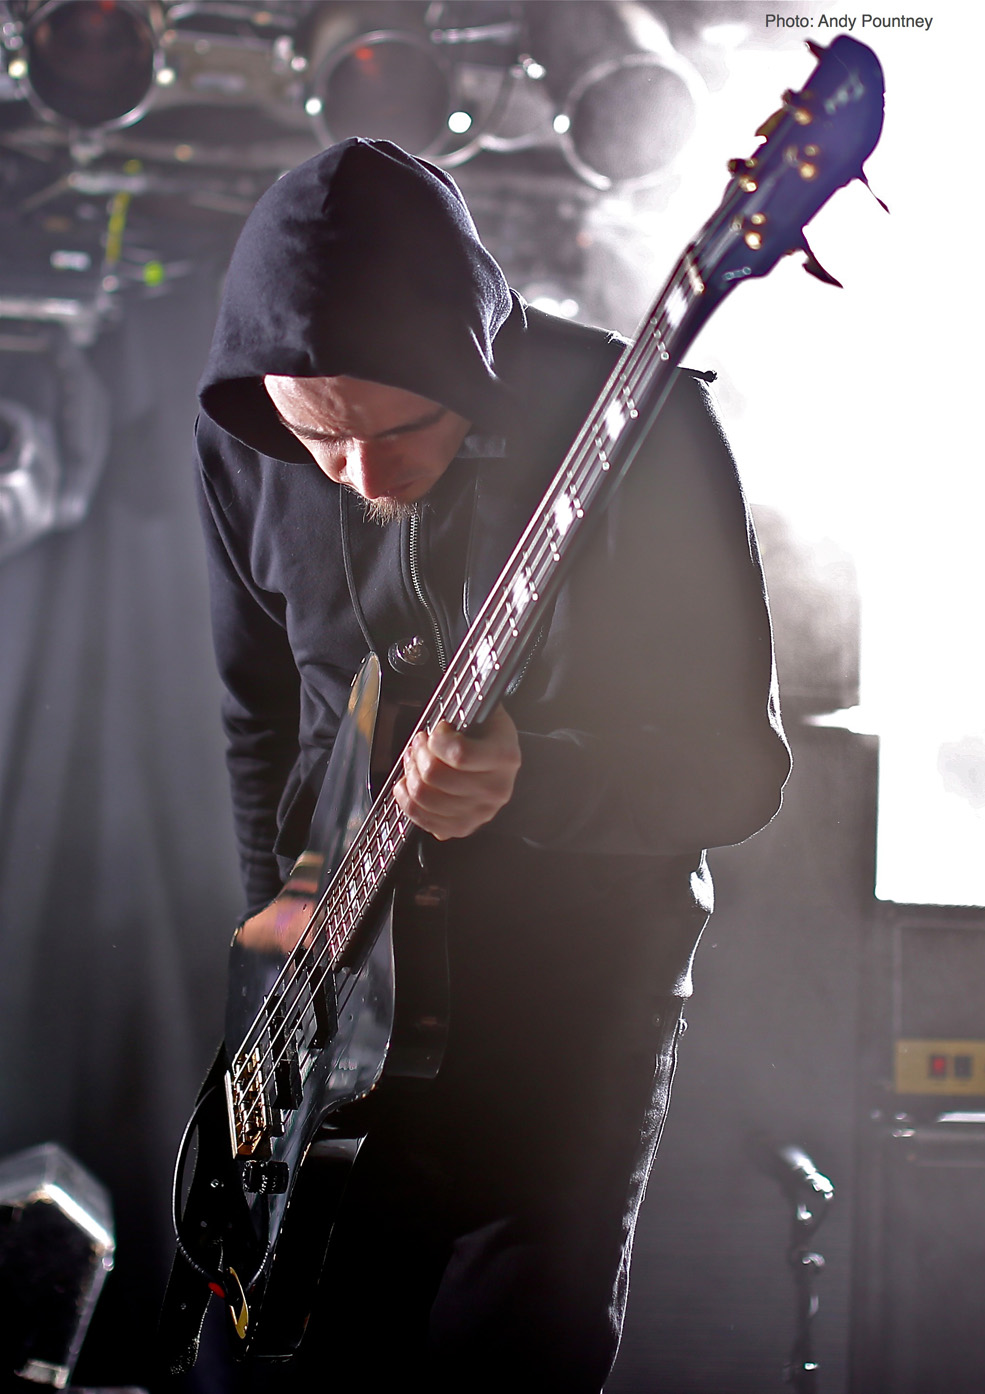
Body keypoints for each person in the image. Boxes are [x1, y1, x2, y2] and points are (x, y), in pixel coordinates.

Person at [192, 138, 790, 1392]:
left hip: (558, 1030)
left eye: (400, 425)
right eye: (319, 438)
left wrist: (541, 776)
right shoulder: (243, 441)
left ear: (471, 363)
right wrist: (280, 968)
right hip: (326, 1024)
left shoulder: (644, 426)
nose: (361, 475)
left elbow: (737, 770)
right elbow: (261, 720)